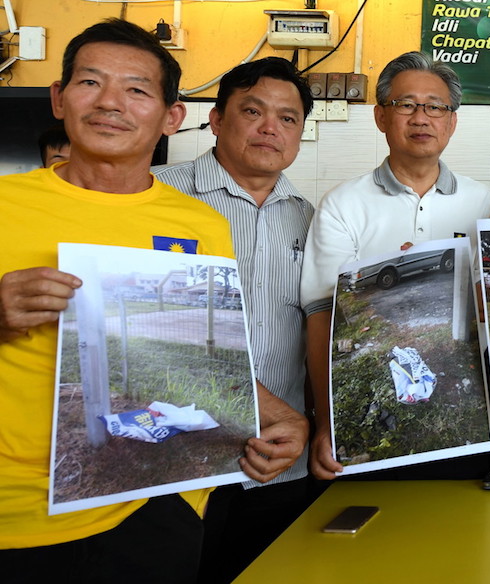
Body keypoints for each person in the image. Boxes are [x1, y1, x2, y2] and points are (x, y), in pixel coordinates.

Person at [0, 19, 234, 583]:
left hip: (153, 510)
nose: (110, 103)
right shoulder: (6, 203)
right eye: (90, 83)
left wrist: (279, 418)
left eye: (137, 89)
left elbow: (239, 339)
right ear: (59, 99)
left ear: (171, 116)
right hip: (16, 517)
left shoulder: (201, 224)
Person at [154, 56, 313, 583]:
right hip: (179, 458)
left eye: (288, 118)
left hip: (279, 460)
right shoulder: (157, 194)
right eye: (253, 111)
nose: (271, 128)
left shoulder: (310, 218)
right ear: (217, 120)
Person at [301, 51, 490, 481]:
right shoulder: (342, 204)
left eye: (436, 107)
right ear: (381, 117)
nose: (421, 117)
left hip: (469, 409)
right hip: (375, 411)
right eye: (406, 105)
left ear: (452, 121)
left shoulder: (484, 203)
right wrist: (326, 420)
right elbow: (320, 315)